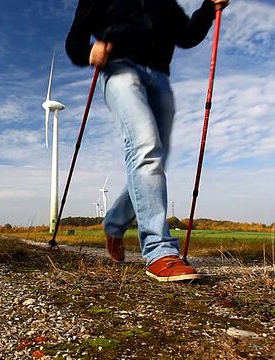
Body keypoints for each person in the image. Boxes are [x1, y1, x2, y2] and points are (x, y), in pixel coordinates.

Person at [65, 0, 229, 282]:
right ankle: (159, 252)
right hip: (119, 70)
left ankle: (114, 225)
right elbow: (75, 40)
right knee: (146, 147)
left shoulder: (165, 3)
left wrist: (207, 8)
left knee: (155, 159)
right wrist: (88, 52)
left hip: (160, 77)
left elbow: (187, 36)